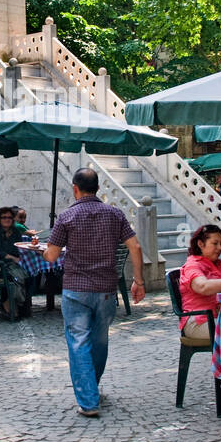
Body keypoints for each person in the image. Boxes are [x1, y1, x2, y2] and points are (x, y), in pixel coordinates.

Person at [43, 168, 144, 418]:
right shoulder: (115, 214)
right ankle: (92, 388)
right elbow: (135, 246)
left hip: (76, 289)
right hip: (106, 288)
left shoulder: (66, 217)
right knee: (99, 341)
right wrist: (138, 281)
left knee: (78, 342)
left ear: (75, 189)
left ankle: (88, 400)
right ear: (97, 188)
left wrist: (44, 252)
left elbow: (52, 255)